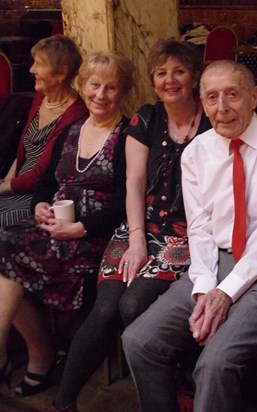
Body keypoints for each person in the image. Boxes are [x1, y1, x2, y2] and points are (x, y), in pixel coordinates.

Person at [121, 60, 257, 412]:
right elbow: (200, 228)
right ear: (202, 102)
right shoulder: (197, 153)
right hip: (214, 263)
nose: (222, 109)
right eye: (212, 98)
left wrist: (226, 292)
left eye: (232, 95)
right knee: (140, 341)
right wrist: (205, 288)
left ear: (253, 97)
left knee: (215, 364)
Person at [52, 40, 210, 412]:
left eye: (179, 71)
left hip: (186, 235)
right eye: (161, 73)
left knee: (134, 303)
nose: (170, 80)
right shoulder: (145, 119)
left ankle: (174, 381)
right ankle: (63, 403)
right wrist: (137, 239)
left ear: (194, 77)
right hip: (139, 227)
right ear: (153, 83)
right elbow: (134, 184)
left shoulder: (212, 121)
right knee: (107, 309)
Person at [0, 50, 133, 398]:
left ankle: (35, 356)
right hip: (55, 228)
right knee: (2, 248)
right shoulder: (72, 129)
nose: (100, 95)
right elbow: (45, 182)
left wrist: (83, 227)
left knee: (6, 253)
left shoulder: (128, 135)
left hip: (95, 236)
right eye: (94, 85)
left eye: (111, 88)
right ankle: (36, 352)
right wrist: (41, 204)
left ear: (123, 92)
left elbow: (125, 202)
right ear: (82, 85)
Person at [0, 34, 88, 227]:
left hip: (39, 196)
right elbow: (25, 144)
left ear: (62, 73)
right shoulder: (41, 97)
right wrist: (7, 179)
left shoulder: (76, 114)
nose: (32, 70)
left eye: (39, 64)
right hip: (14, 186)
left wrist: (3, 188)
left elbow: (40, 174)